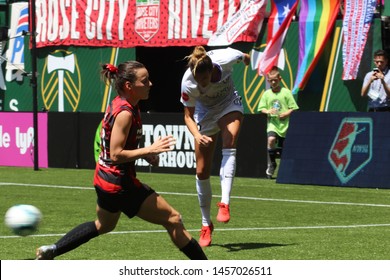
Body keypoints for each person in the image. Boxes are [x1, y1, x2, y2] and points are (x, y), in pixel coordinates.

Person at [36, 61, 207, 260]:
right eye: (145, 81)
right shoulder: (125, 113)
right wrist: (149, 149)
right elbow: (115, 154)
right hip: (119, 184)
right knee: (173, 219)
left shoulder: (123, 104)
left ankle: (53, 250)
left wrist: (145, 154)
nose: (150, 84)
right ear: (129, 86)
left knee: (104, 225)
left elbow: (114, 148)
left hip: (103, 180)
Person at [180, 46, 250, 247]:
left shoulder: (226, 58)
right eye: (199, 82)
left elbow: (243, 56)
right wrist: (197, 135)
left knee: (229, 141)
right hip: (205, 113)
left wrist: (247, 59)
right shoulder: (188, 82)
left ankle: (225, 203)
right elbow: (187, 116)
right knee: (201, 170)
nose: (202, 84)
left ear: (211, 71)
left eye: (205, 80)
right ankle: (205, 224)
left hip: (229, 103)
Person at [257, 66, 299, 179]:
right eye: (271, 80)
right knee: (271, 140)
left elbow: (293, 107)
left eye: (275, 80)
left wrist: (286, 113)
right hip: (273, 124)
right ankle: (272, 164)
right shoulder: (266, 94)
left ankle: (288, 170)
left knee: (286, 149)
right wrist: (268, 111)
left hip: (286, 125)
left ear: (280, 79)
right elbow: (261, 108)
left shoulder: (286, 92)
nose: (274, 82)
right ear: (268, 81)